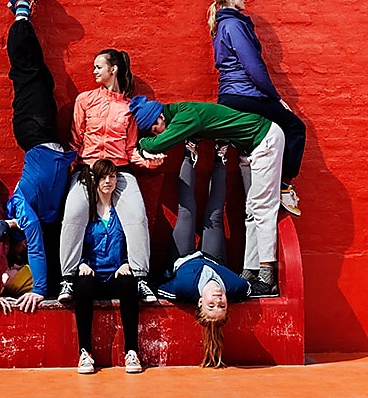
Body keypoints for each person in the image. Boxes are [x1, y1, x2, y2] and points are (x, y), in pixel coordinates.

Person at [129, 96, 284, 296]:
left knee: (263, 208)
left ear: (159, 117)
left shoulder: (185, 116)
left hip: (264, 140)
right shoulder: (182, 113)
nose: (156, 132)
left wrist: (143, 143)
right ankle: (251, 271)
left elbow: (158, 145)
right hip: (251, 147)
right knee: (252, 211)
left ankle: (266, 275)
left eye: (154, 128)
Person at [57, 28, 163, 304]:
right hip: (89, 171)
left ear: (113, 70)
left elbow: (130, 150)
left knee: (137, 216)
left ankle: (140, 279)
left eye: (98, 67)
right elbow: (75, 140)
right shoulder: (85, 101)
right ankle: (68, 279)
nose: (94, 71)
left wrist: (150, 161)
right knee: (73, 215)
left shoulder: (129, 109)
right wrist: (67, 172)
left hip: (120, 171)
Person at [4, 0, 77, 312]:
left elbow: (33, 242)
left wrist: (41, 289)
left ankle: (20, 10)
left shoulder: (22, 208)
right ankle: (20, 13)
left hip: (34, 133)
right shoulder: (43, 215)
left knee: (28, 73)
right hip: (46, 135)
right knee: (42, 78)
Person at [208, 0, 306, 217]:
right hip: (244, 95)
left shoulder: (224, 24)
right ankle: (284, 186)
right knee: (295, 128)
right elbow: (253, 67)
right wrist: (275, 98)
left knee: (255, 143)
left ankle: (260, 195)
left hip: (231, 94)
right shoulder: (234, 24)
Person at [156, 138, 251, 367]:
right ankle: (220, 155)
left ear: (199, 302)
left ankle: (190, 153)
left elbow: (159, 287)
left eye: (211, 305)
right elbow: (248, 289)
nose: (218, 300)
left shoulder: (183, 289)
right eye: (223, 306)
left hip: (182, 258)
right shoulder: (235, 287)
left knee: (187, 212)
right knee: (215, 214)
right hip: (214, 258)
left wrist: (171, 275)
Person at [73, 159, 142, 374]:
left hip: (115, 273)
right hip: (92, 273)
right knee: (82, 285)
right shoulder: (86, 211)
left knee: (129, 283)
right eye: (103, 177)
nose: (108, 181)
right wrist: (82, 263)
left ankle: (132, 351)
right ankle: (85, 353)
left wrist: (127, 263)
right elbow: (74, 240)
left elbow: (134, 238)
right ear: (95, 181)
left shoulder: (122, 211)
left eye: (112, 176)